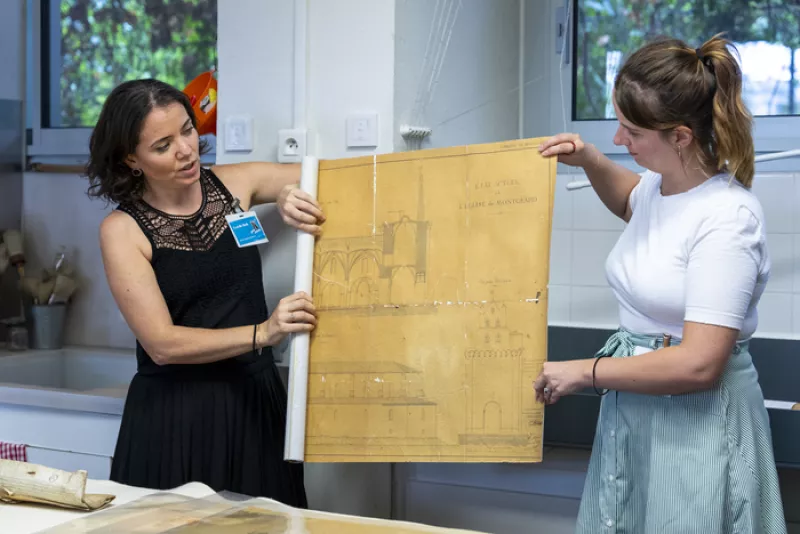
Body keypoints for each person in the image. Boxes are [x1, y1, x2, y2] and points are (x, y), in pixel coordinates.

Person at [534, 34, 787, 533]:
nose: (618, 141)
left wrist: (584, 372)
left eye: (631, 131)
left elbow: (699, 365)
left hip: (697, 421)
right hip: (641, 408)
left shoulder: (727, 220)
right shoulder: (661, 186)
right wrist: (588, 160)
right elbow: (634, 202)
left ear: (680, 137)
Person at [86, 79, 323, 507]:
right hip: (175, 416)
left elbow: (326, 177)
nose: (186, 150)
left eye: (188, 130)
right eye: (162, 145)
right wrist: (263, 333)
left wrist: (291, 191)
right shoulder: (121, 231)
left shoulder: (238, 185)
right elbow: (162, 344)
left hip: (255, 402)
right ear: (130, 159)